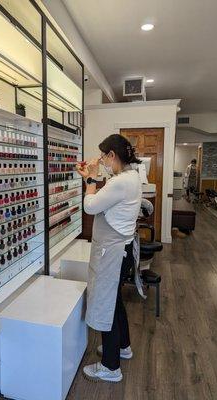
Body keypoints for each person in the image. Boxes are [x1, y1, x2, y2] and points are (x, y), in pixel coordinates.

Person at [76, 134, 142, 383]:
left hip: (112, 253)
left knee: (107, 306)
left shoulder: (120, 182)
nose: (102, 160)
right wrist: (93, 176)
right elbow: (107, 198)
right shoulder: (131, 176)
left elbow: (90, 206)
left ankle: (110, 366)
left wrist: (90, 180)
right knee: (114, 302)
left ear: (113, 155)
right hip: (120, 250)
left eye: (104, 156)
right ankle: (122, 347)